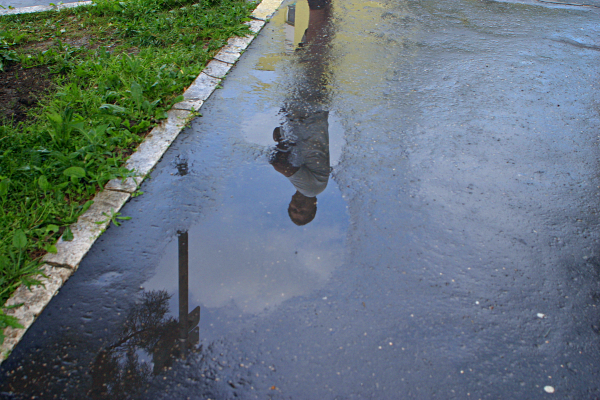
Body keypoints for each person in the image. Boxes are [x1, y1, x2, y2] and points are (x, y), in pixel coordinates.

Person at [270, 0, 332, 226]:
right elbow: (281, 165)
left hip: (309, 108)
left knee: (313, 48)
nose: (296, 206)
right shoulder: (311, 187)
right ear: (312, 206)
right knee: (315, 48)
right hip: (308, 108)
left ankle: (324, 7)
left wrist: (283, 140)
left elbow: (285, 143)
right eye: (301, 210)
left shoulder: (305, 184)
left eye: (292, 209)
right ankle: (319, 6)